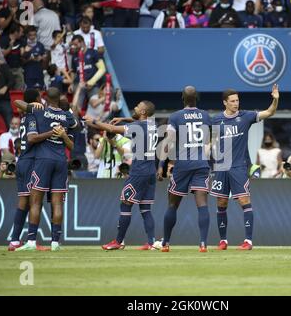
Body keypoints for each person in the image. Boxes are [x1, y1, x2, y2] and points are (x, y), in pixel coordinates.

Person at [210, 85, 279, 251]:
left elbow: (269, 112)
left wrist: (275, 99)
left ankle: (248, 241)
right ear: (225, 102)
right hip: (220, 167)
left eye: (237, 100)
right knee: (221, 202)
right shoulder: (216, 119)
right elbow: (210, 142)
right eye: (232, 101)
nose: (236, 103)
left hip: (239, 166)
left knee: (244, 200)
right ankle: (223, 241)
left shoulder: (246, 116)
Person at [83, 100, 157, 250]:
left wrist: (94, 121)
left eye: (137, 106)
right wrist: (124, 119)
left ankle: (118, 241)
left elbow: (110, 128)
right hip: (150, 171)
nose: (134, 108)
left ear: (143, 112)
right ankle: (151, 242)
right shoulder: (152, 125)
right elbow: (137, 122)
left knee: (125, 203)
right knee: (145, 208)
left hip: (139, 171)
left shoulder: (137, 126)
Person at [16, 88, 78, 252]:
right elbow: (73, 138)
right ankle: (55, 243)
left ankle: (30, 241)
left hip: (43, 160)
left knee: (35, 202)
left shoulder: (39, 111)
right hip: (61, 161)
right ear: (60, 98)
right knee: (57, 203)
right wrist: (63, 134)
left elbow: (19, 105)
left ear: (44, 98)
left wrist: (35, 107)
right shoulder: (66, 116)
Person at [157, 86, 212, 252]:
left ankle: (165, 243)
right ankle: (203, 244)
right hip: (201, 164)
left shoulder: (175, 116)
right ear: (197, 98)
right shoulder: (205, 116)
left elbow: (168, 142)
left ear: (182, 98)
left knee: (172, 205)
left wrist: (161, 164)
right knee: (202, 204)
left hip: (182, 165)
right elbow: (209, 141)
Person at [8, 89, 44, 251]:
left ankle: (15, 240)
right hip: (30, 162)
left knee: (24, 201)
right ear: (37, 99)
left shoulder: (25, 117)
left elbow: (17, 103)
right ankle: (30, 240)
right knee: (34, 202)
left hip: (22, 160)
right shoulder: (35, 115)